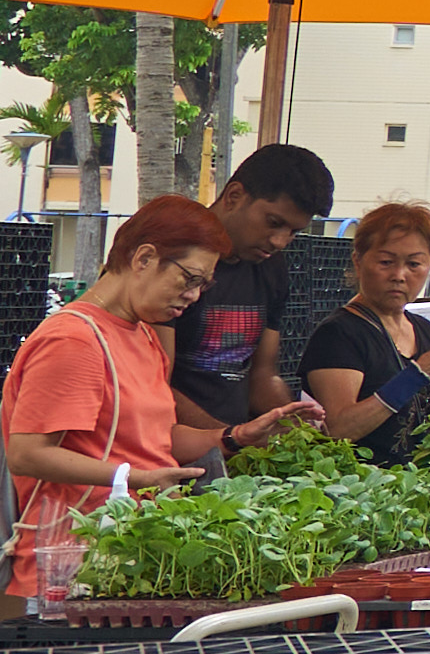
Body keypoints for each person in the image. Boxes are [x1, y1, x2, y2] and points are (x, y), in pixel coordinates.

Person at [5, 196, 223, 608]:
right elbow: (28, 454)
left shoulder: (141, 333)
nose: (194, 296)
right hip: (68, 570)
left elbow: (154, 437)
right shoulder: (75, 339)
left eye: (203, 285)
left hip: (121, 563)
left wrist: (234, 437)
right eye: (189, 279)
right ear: (144, 258)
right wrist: (136, 479)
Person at [165, 143, 333, 464]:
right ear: (234, 196)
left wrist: (294, 425)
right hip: (162, 455)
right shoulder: (175, 257)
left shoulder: (271, 267)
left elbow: (262, 376)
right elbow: (149, 384)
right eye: (273, 222)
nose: (279, 241)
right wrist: (232, 437)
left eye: (293, 232)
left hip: (233, 455)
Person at [294, 200, 430, 463]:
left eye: (414, 264)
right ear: (358, 262)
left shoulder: (424, 330)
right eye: (386, 262)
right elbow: (338, 431)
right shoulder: (339, 334)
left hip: (417, 488)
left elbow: (423, 426)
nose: (399, 275)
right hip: (361, 490)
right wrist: (418, 374)